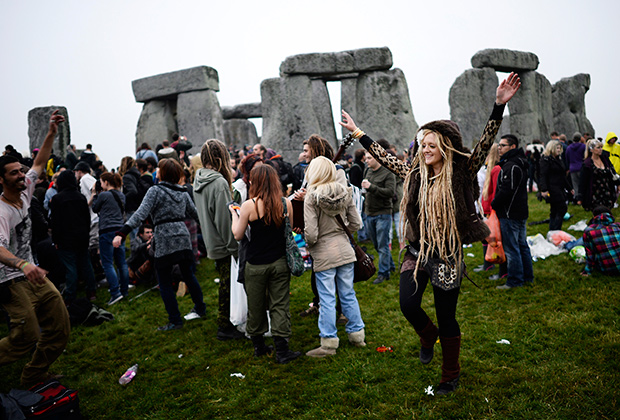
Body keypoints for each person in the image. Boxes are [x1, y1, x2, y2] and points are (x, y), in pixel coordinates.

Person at [340, 72, 521, 395]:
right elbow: (385, 157)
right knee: (408, 305)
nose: (424, 150)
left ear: (444, 147)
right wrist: (357, 132)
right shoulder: (414, 173)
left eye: (430, 146)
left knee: (447, 316)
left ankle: (450, 374)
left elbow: (484, 144)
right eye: (421, 145)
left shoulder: (463, 170)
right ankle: (427, 334)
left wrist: (498, 107)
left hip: (448, 254)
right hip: (416, 252)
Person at [0, 110, 70, 387]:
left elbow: (40, 163)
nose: (22, 176)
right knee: (26, 336)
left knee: (60, 324)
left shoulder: (26, 188)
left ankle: (34, 373)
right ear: (1, 180)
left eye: (21, 171)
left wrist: (51, 133)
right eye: (14, 173)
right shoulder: (2, 211)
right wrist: (22, 264)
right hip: (9, 279)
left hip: (34, 273)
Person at [113, 158, 206, 331]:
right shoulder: (183, 192)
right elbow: (196, 215)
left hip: (164, 237)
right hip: (182, 235)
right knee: (189, 275)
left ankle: (175, 321)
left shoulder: (155, 191)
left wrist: (122, 232)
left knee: (164, 281)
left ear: (163, 173)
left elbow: (140, 214)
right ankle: (200, 308)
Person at [229, 164, 302, 364]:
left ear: (256, 181)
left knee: (256, 305)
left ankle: (259, 346)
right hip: (279, 262)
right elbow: (290, 229)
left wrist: (234, 214)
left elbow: (238, 234)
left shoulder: (248, 206)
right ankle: (282, 350)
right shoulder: (285, 203)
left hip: (255, 265)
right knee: (279, 305)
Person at [303, 157, 365, 357]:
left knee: (327, 298)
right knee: (348, 294)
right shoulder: (345, 192)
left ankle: (329, 343)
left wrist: (311, 244)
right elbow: (356, 223)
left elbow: (311, 234)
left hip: (323, 253)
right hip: (345, 250)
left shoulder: (311, 197)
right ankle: (357, 336)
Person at [193, 139, 243, 340]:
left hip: (211, 240)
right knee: (228, 285)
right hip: (224, 242)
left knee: (225, 283)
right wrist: (235, 248)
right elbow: (224, 220)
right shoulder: (219, 182)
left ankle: (227, 322)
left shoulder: (199, 178)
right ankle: (225, 326)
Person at [491, 133, 535, 290]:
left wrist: (494, 204)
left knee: (512, 248)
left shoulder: (511, 165)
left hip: (510, 213)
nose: (499, 148)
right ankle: (527, 277)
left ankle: (515, 280)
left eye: (503, 145)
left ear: (513, 147)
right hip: (520, 211)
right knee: (522, 245)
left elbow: (506, 190)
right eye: (499, 145)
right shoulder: (520, 162)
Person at [49, 170, 97, 305]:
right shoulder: (81, 197)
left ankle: (70, 295)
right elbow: (86, 218)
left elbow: (56, 222)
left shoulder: (57, 199)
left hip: (65, 238)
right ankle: (91, 291)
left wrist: (56, 240)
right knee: (86, 264)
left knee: (71, 267)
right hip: (81, 237)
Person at [90, 172, 130, 305]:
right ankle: (124, 290)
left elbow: (95, 208)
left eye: (101, 182)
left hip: (107, 230)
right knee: (121, 262)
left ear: (106, 182)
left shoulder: (104, 195)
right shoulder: (121, 195)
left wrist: (95, 194)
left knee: (107, 263)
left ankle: (115, 292)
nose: (100, 184)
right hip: (120, 230)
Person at [362, 151, 396, 284]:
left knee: (382, 245)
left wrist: (372, 187)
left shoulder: (388, 173)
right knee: (377, 244)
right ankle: (390, 265)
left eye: (369, 158)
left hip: (383, 213)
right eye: (366, 158)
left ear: (377, 159)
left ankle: (383, 273)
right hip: (369, 213)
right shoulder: (367, 170)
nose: (367, 161)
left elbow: (390, 192)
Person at [539, 140, 573, 231]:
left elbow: (563, 175)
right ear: (552, 148)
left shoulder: (558, 159)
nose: (559, 150)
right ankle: (556, 229)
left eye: (559, 148)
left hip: (559, 186)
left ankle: (554, 230)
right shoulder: (546, 160)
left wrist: (569, 188)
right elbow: (543, 175)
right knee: (561, 208)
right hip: (552, 187)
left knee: (555, 210)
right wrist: (544, 189)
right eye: (557, 148)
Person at [577, 139, 619, 211]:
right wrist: (580, 197)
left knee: (608, 214)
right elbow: (582, 182)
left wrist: (618, 183)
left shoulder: (605, 159)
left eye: (601, 147)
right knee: (599, 215)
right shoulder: (587, 164)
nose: (601, 149)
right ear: (591, 150)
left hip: (607, 192)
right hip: (595, 194)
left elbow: (612, 172)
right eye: (598, 148)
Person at [582, 206, 620, 276]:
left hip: (608, 269)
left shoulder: (589, 231)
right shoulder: (617, 226)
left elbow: (590, 254)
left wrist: (587, 271)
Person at [565, 132, 586, 201]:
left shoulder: (569, 148)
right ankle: (583, 197)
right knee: (583, 184)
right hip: (581, 167)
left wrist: (568, 168)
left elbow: (567, 158)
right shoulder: (583, 146)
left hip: (572, 168)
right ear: (580, 138)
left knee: (575, 185)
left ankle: (577, 198)